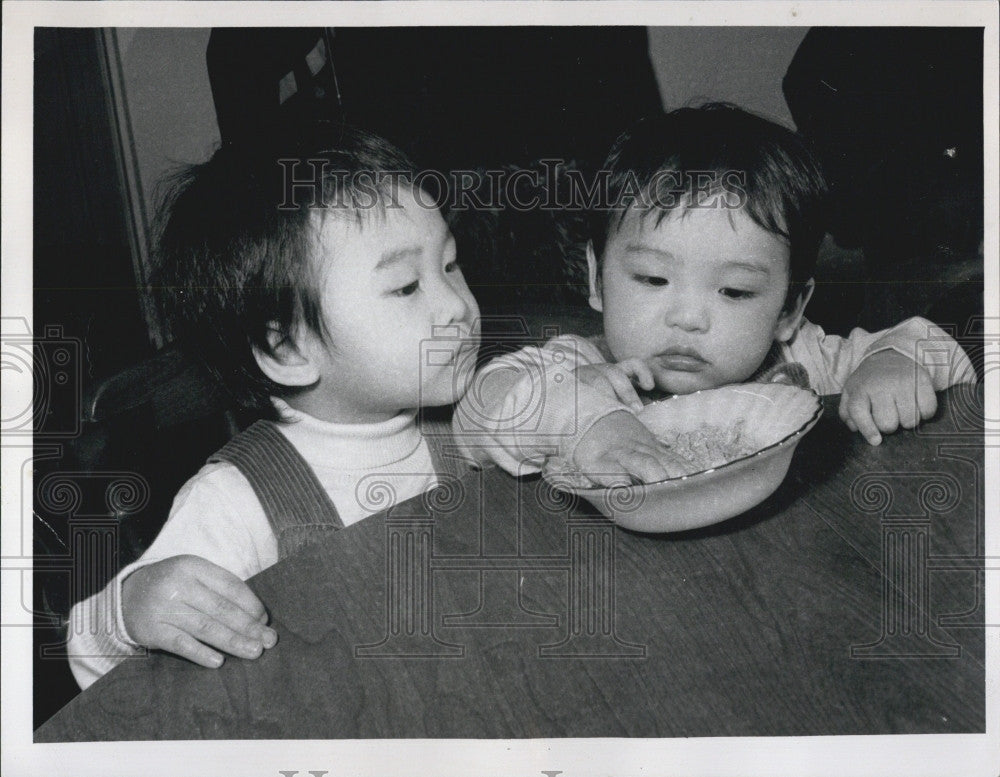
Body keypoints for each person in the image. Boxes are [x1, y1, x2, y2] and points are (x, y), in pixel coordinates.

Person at [67, 127, 481, 689]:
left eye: (451, 264)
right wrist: (129, 611)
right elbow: (91, 659)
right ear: (287, 349)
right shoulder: (238, 501)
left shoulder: (478, 415)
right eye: (407, 286)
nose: (458, 305)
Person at [453, 104, 977, 485]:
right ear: (595, 280)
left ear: (790, 309)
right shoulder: (581, 368)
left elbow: (940, 353)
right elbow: (476, 410)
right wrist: (582, 420)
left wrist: (893, 362)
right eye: (653, 280)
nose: (687, 318)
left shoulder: (803, 362)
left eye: (734, 290)